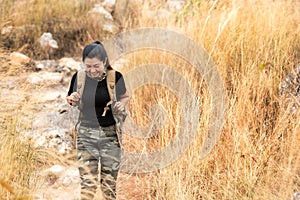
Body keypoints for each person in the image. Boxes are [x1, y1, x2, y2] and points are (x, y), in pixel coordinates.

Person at [66, 41, 130, 200]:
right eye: (88, 66)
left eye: (96, 66)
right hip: (85, 136)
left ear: (105, 62)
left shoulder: (115, 77)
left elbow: (125, 96)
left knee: (109, 187)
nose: (92, 70)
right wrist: (72, 99)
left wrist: (121, 106)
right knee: (88, 185)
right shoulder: (79, 77)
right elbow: (70, 98)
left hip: (110, 135)